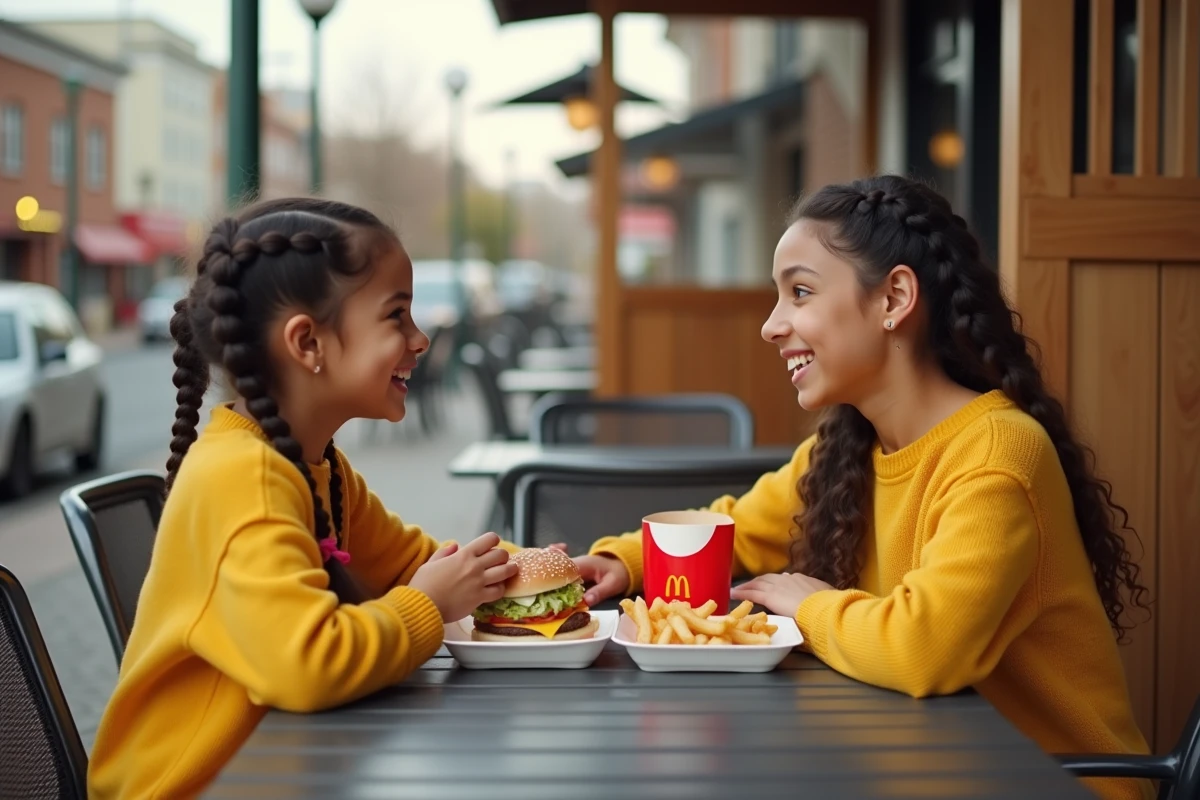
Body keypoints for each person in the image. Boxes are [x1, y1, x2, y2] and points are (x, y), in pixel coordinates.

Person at [567, 175, 1153, 800]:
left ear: (894, 297)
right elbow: (730, 527)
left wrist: (808, 604)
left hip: (1051, 782)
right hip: (921, 764)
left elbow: (921, 648)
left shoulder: (997, 452)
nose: (771, 326)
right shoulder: (844, 448)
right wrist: (619, 564)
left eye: (800, 292)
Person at [88, 198, 519, 798]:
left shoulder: (314, 467)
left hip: (280, 769)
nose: (420, 340)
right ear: (308, 343)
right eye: (397, 316)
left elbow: (415, 562)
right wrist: (426, 606)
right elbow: (309, 665)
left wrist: (543, 574)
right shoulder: (247, 478)